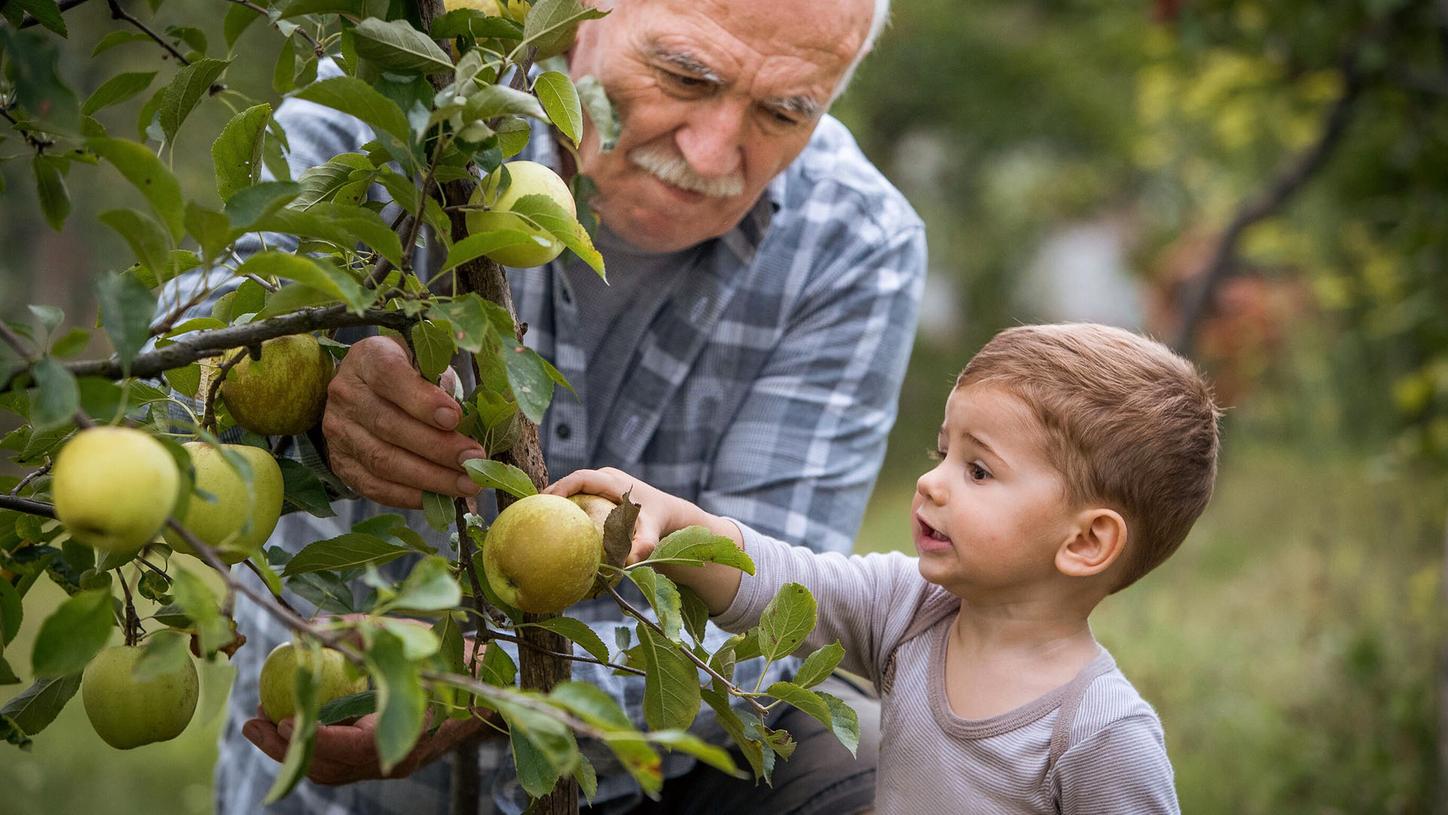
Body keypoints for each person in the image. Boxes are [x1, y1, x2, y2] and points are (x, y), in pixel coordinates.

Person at [174, 0, 926, 812]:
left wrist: (491, 682)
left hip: (644, 782)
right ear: (581, 18)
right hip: (335, 773)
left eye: (786, 111)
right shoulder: (398, 102)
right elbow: (189, 335)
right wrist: (313, 399)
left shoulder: (856, 240)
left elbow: (775, 617)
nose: (711, 150)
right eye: (683, 74)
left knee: (884, 771)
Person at [548, 323, 1221, 814]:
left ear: (1085, 542)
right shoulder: (912, 607)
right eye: (942, 451)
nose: (932, 483)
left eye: (978, 469)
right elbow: (782, 581)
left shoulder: (1100, 734)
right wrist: (674, 522)